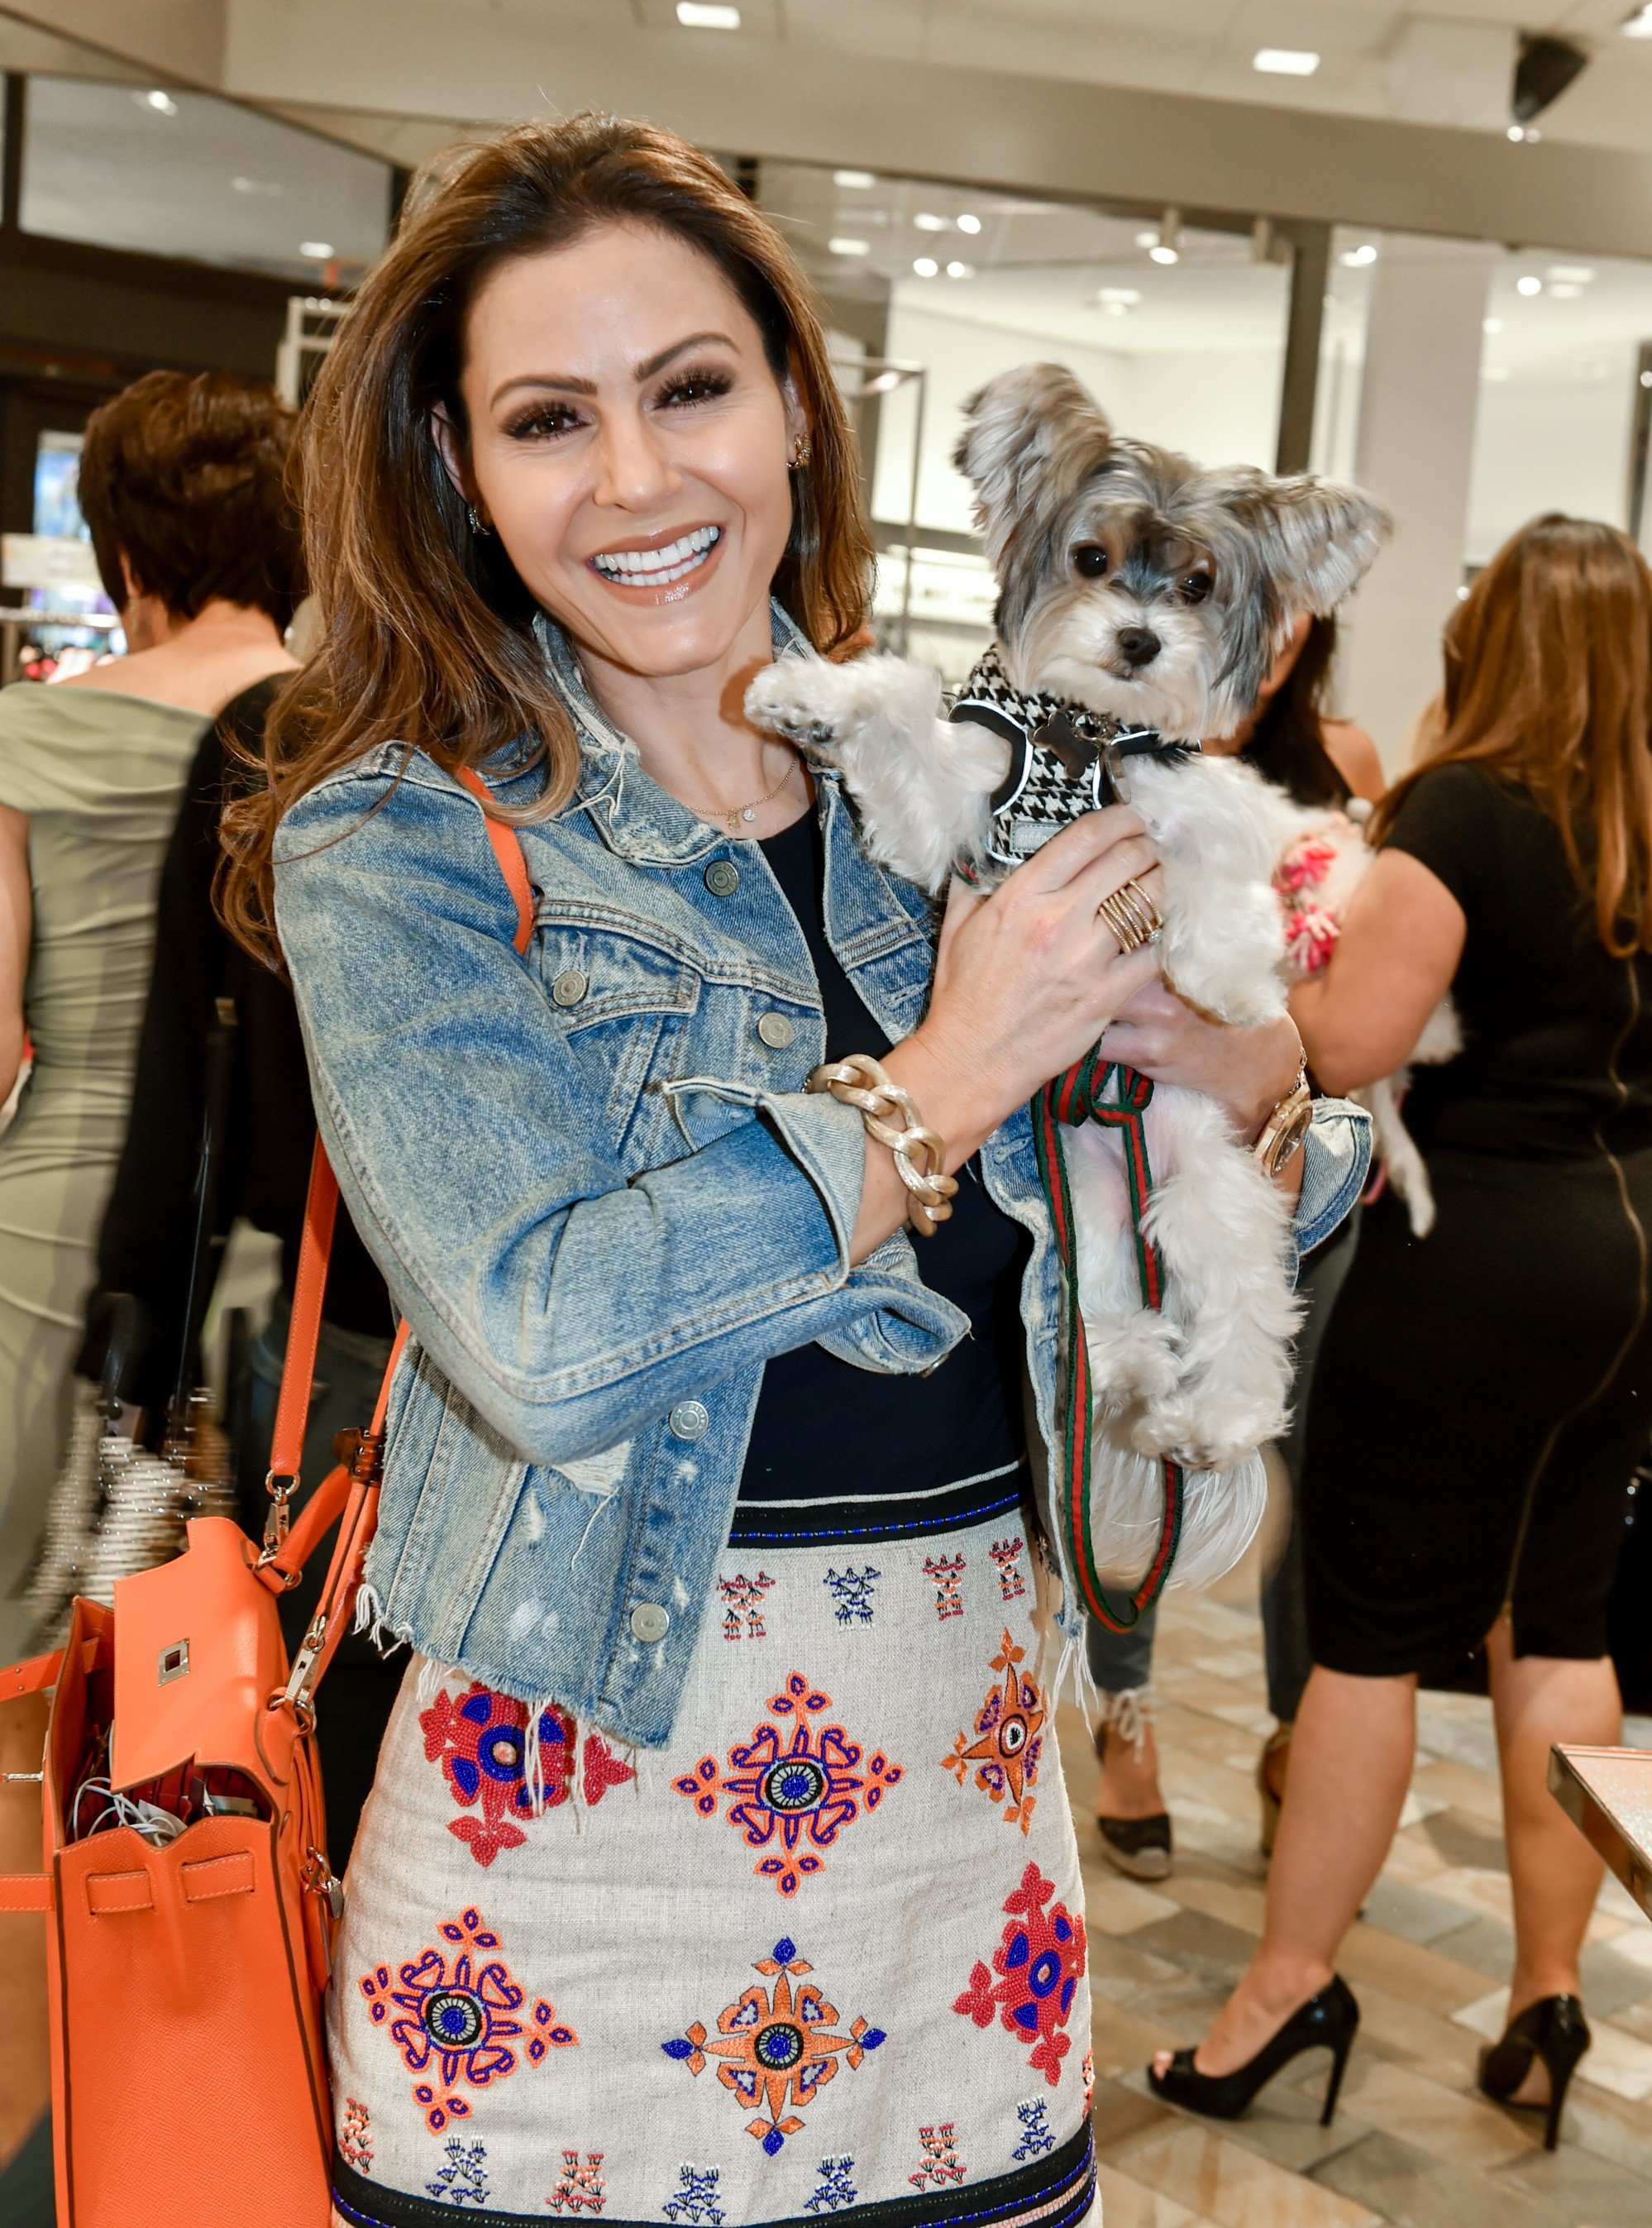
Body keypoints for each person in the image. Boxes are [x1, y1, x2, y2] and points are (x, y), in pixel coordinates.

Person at [221, 114, 1370, 2228]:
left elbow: (1130, 1274)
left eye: (693, 389)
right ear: (458, 471)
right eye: (549, 418)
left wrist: (1259, 1086)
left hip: (961, 1831)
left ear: (793, 409)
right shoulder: (398, 839)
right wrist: (941, 1076)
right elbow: (545, 1344)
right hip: (566, 1840)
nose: (641, 482)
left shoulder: (936, 785)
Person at [1148, 514, 1652, 2149]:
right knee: (1562, 1624)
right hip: (1615, 1255)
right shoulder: (1636, 819)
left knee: (1365, 1633)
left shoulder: (1464, 807)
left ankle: (1286, 1987)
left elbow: (1352, 1042)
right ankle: (1548, 1985)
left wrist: (1249, 970)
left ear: (1482, 634)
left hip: (1471, 1257)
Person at [0, 371, 299, 1655]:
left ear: (123, 550)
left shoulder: (28, 727)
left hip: (51, 1250)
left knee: (29, 1676)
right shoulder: (348, 738)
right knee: (219, 1676)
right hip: (268, 1253)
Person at [78, 672, 399, 1865]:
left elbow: (185, 1060)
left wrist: (145, 1335)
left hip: (342, 1343)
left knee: (316, 1768)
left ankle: (296, 2039)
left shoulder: (283, 733)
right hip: (583, 1358)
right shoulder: (593, 721)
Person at [1087, 612, 1383, 1880]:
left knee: (1284, 1446)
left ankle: (1291, 1726)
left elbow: (1357, 1010)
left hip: (1288, 1156)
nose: (1259, 647)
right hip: (1123, 1137)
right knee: (1129, 1416)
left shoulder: (1344, 762)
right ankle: (1125, 1713)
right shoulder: (1106, 745)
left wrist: (1279, 1048)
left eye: (1283, 628)